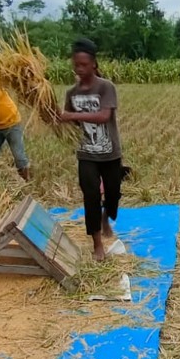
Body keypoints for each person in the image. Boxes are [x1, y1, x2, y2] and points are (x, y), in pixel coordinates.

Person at [60, 38, 124, 261]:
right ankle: (97, 244)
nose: (80, 69)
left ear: (94, 64)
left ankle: (107, 216)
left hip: (110, 152)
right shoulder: (72, 92)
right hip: (86, 153)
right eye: (76, 64)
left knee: (113, 193)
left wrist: (72, 115)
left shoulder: (106, 87)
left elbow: (104, 116)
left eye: (84, 65)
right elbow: (67, 119)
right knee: (91, 196)